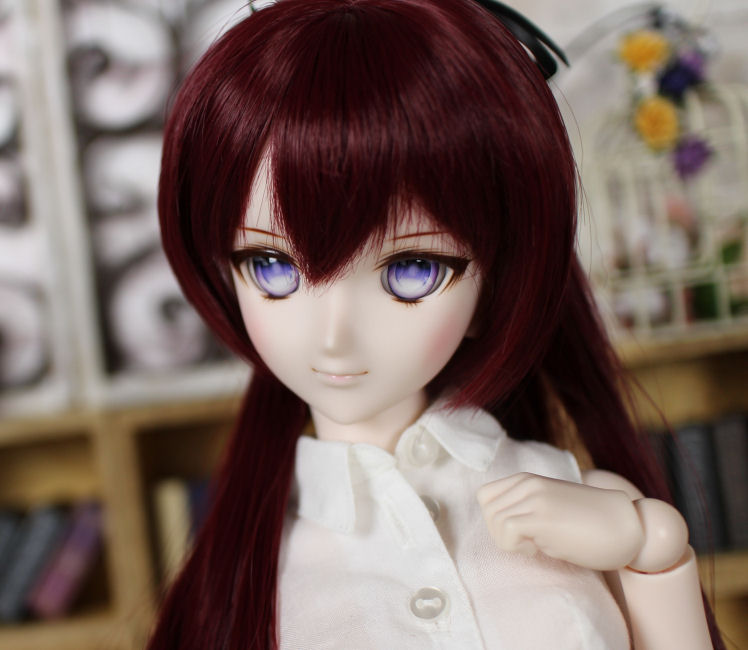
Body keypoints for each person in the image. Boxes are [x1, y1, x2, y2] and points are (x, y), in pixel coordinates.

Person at [148, 0, 722, 647]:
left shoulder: (582, 502)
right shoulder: (251, 584)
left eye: (412, 269)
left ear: (496, 281)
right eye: (271, 266)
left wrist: (652, 548)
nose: (333, 336)